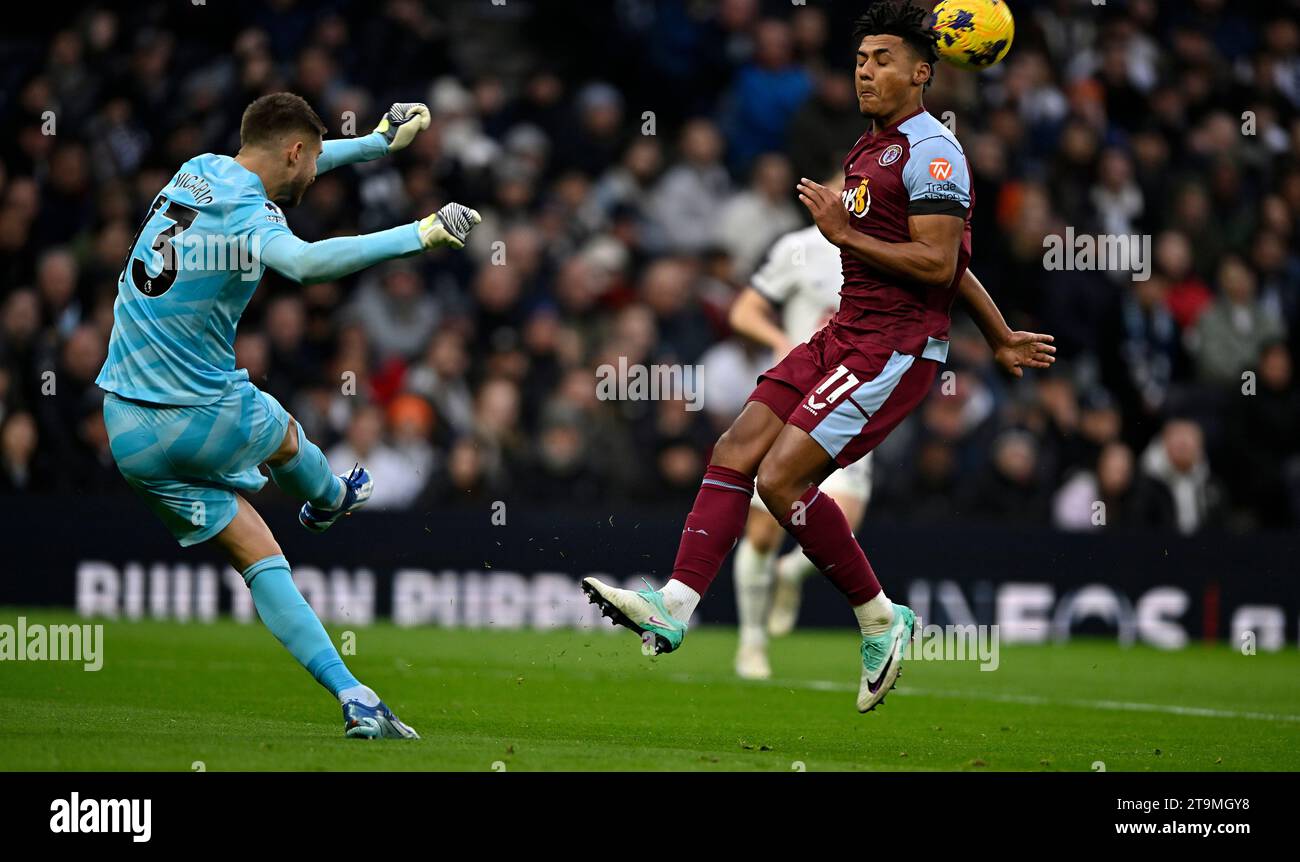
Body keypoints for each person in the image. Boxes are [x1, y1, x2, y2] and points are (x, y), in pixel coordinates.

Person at [582, 1, 1055, 714]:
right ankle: (675, 606)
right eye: (861, 60)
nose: (866, 72)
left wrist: (842, 232)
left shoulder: (935, 151)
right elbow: (950, 265)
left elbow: (935, 264)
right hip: (844, 333)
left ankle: (879, 618)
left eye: (883, 60)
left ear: (922, 71)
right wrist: (998, 333)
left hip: (894, 346)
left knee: (780, 479)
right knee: (734, 446)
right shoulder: (867, 148)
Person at [95, 93, 481, 739]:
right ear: (295, 152)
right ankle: (329, 499)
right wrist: (421, 232)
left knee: (259, 554)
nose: (311, 172)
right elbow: (303, 264)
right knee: (279, 428)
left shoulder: (197, 169)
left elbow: (295, 161)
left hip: (126, 428)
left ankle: (355, 696)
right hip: (195, 412)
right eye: (311, 159)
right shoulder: (251, 214)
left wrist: (378, 144)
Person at [725, 197, 874, 681]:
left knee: (844, 525)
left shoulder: (882, 249)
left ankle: (792, 574)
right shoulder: (800, 247)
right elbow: (745, 310)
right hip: (796, 402)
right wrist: (778, 344)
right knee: (764, 532)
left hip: (852, 401)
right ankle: (751, 644)